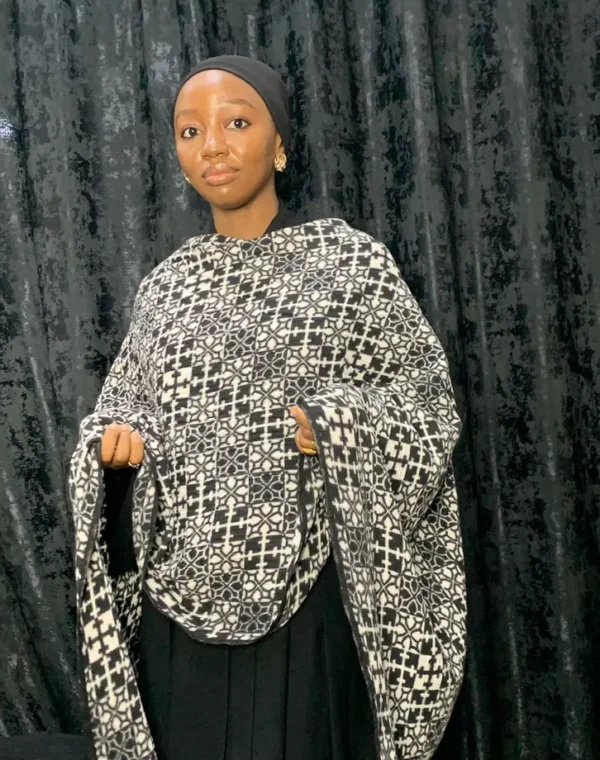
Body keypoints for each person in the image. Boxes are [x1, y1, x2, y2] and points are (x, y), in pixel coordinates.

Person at [68, 56, 466, 760]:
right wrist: (115, 442)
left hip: (309, 605)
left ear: (279, 142)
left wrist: (341, 423)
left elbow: (427, 402)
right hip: (179, 610)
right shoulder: (166, 288)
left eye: (236, 122)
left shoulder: (349, 265)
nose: (212, 146)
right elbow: (124, 410)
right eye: (190, 131)